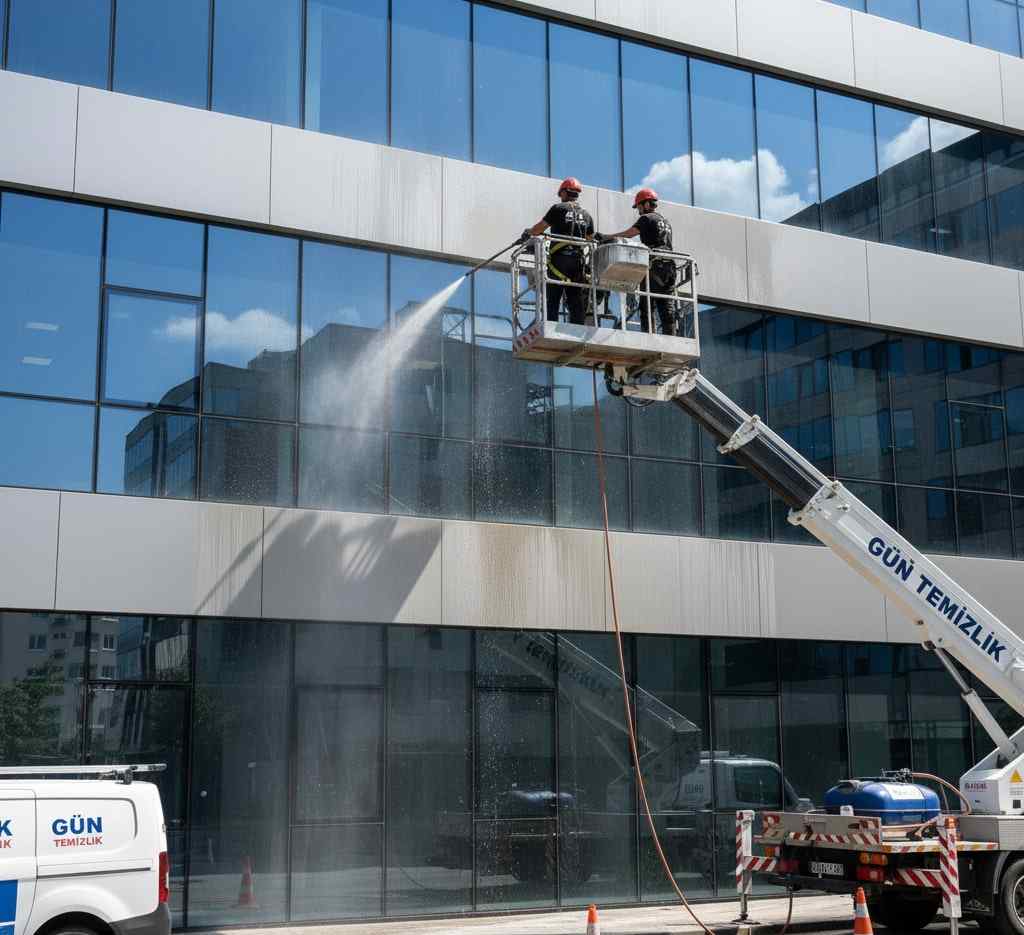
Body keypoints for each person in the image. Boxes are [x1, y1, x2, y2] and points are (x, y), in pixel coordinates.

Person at [598, 188, 679, 336]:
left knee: (647, 304)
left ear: (646, 204)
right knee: (666, 303)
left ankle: (649, 336)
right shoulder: (665, 222)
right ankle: (671, 335)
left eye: (639, 207)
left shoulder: (646, 218)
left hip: (655, 265)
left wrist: (607, 237)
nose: (639, 211)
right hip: (670, 267)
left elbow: (630, 233)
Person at [520, 177, 595, 325]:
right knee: (575, 299)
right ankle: (578, 327)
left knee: (553, 296)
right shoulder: (587, 215)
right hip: (577, 262)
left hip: (559, 261)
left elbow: (539, 228)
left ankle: (551, 325)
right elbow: (589, 238)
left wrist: (528, 232)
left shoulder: (558, 209)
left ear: (564, 193)